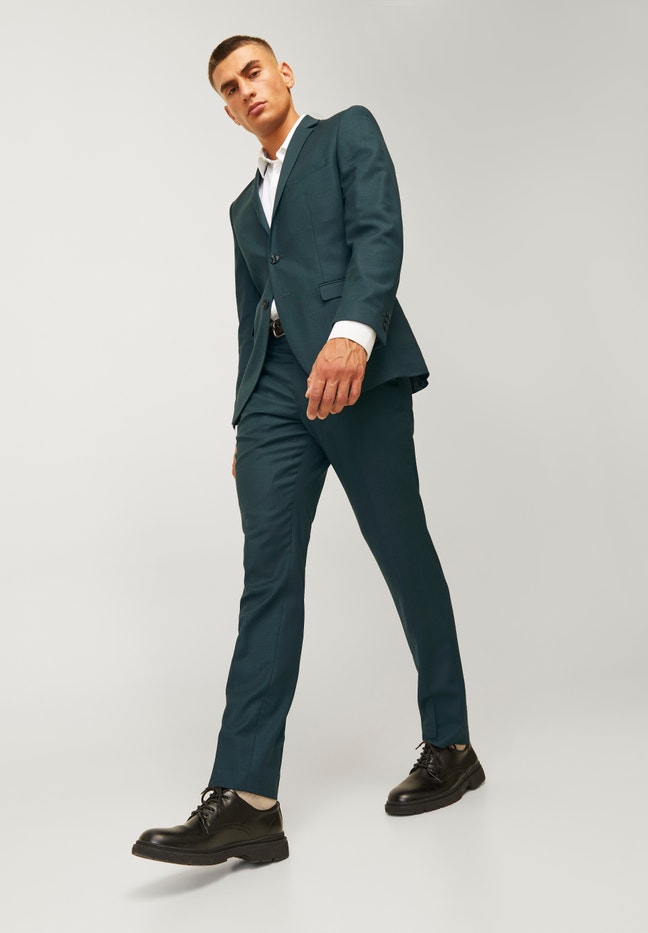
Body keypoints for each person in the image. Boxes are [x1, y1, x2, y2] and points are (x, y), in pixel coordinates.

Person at [132, 35, 485, 867]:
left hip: (355, 372)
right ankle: (246, 798)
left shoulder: (346, 133)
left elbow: (379, 232)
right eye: (228, 88)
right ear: (226, 110)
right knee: (268, 574)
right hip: (275, 396)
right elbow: (249, 315)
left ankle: (452, 745)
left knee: (402, 551)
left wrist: (354, 335)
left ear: (283, 73)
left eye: (252, 72)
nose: (245, 91)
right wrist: (245, 416)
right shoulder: (240, 210)